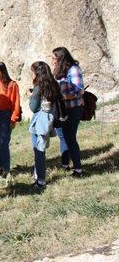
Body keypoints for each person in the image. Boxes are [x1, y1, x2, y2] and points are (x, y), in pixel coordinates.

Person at [51, 47, 85, 177]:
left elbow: (79, 91)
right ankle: (66, 164)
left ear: (60, 58)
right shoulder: (59, 71)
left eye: (54, 58)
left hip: (73, 109)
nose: (52, 60)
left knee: (70, 138)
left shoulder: (74, 70)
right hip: (63, 110)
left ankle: (78, 169)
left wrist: (63, 97)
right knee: (65, 137)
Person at [0, 62, 21, 186]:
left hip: (6, 115)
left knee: (4, 143)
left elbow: (16, 103)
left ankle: (6, 169)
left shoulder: (12, 85)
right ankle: (0, 166)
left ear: (3, 71)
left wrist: (13, 119)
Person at [28, 61, 62, 189]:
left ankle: (40, 180)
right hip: (49, 119)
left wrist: (30, 96)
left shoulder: (38, 87)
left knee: (38, 151)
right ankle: (38, 175)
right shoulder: (53, 84)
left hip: (40, 121)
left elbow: (33, 107)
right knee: (41, 149)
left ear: (36, 72)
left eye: (32, 71)